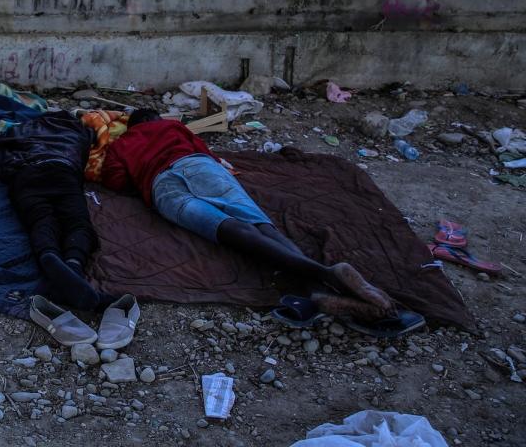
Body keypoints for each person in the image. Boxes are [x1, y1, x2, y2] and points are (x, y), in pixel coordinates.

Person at [100, 108, 395, 319]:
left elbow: (114, 180)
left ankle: (320, 283)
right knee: (261, 225)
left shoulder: (122, 143)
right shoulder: (174, 127)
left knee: (225, 229)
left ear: (131, 127)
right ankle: (319, 279)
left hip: (162, 186)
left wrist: (139, 170)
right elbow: (208, 154)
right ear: (156, 119)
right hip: (198, 166)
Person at [0, 111, 105, 310]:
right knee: (78, 223)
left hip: (28, 172)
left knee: (41, 219)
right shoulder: (78, 132)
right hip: (64, 170)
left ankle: (48, 254)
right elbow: (93, 138)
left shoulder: (25, 129)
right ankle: (73, 264)